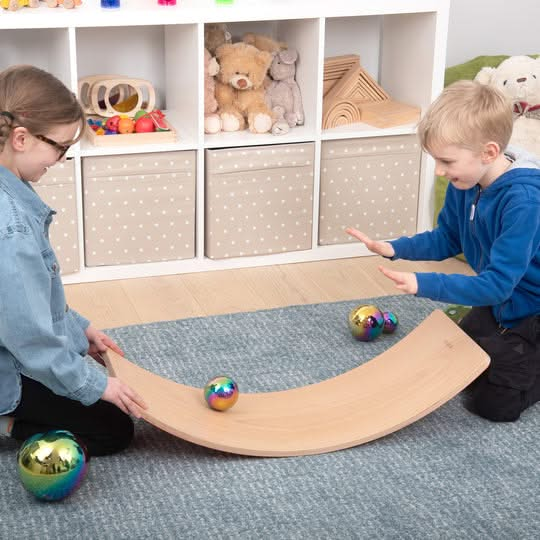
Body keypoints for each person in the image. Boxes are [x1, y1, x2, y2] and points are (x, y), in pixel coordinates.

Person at [346, 80, 540, 423]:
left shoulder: (523, 201)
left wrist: (423, 284)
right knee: (458, 367)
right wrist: (394, 248)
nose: (439, 171)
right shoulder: (466, 181)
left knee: (492, 406)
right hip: (500, 303)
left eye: (446, 161)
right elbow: (448, 238)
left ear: (489, 153)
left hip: (529, 308)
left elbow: (498, 284)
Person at [0, 65, 147, 456]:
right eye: (59, 147)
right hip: (5, 369)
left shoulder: (12, 197)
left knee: (80, 374)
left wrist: (76, 329)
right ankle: (6, 420)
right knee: (113, 428)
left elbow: (31, 297)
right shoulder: (10, 227)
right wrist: (94, 386)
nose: (61, 159)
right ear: (20, 138)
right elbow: (28, 336)